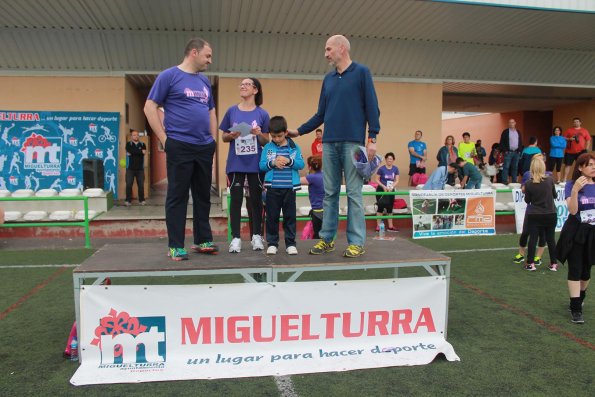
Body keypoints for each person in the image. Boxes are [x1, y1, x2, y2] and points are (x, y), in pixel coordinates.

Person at [289, 34, 380, 258]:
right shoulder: (328, 79)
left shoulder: (361, 72)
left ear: (342, 48)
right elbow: (321, 114)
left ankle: (356, 242)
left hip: (354, 144)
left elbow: (372, 107)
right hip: (329, 144)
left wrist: (372, 138)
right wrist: (299, 130)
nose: (326, 53)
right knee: (329, 193)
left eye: (329, 49)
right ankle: (326, 239)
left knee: (354, 194)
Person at [144, 37, 218, 261]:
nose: (210, 60)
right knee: (177, 196)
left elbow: (211, 112)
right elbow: (149, 107)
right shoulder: (169, 76)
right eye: (207, 55)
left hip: (204, 147)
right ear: (193, 53)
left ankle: (202, 239)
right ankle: (175, 245)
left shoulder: (204, 81)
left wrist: (212, 140)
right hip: (180, 145)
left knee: (203, 195)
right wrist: (165, 139)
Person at [220, 77, 270, 253]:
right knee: (235, 200)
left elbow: (267, 140)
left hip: (255, 164)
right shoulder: (231, 111)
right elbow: (223, 136)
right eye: (241, 84)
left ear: (255, 90)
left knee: (255, 201)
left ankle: (256, 236)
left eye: (247, 84)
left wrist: (258, 134)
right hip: (235, 163)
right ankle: (235, 238)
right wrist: (232, 135)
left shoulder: (262, 114)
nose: (242, 86)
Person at [556, 153, 595, 324]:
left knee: (586, 272)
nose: (593, 167)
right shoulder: (572, 184)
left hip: (592, 233)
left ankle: (581, 295)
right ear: (580, 167)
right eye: (590, 164)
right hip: (575, 231)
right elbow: (572, 211)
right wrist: (575, 190)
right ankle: (575, 308)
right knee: (575, 269)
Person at [260, 116, 305, 255]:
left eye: (279, 136)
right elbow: (261, 166)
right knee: (272, 216)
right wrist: (272, 163)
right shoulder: (267, 147)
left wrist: (289, 161)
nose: (277, 139)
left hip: (290, 189)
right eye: (273, 136)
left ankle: (290, 244)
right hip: (273, 188)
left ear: (286, 132)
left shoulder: (294, 147)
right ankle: (272, 243)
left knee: (290, 217)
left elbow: (301, 164)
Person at [522, 156, 558, 272]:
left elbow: (527, 201)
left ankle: (530, 264)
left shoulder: (528, 183)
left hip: (535, 214)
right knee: (551, 239)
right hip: (550, 213)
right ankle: (553, 264)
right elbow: (555, 195)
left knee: (533, 239)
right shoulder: (550, 180)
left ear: (531, 169)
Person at [513, 153, 548, 267]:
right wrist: (529, 184)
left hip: (544, 210)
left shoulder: (548, 176)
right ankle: (521, 254)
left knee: (542, 234)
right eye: (537, 160)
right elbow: (523, 189)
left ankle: (538, 256)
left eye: (541, 160)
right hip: (531, 209)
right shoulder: (528, 174)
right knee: (525, 232)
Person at [373, 152, 399, 232]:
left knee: (390, 208)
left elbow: (397, 180)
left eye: (391, 159)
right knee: (380, 207)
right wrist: (383, 186)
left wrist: (392, 187)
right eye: (388, 159)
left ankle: (390, 226)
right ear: (386, 160)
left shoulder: (395, 169)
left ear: (393, 160)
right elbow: (376, 179)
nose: (389, 160)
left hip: (391, 190)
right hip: (381, 190)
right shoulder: (381, 169)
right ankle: (378, 226)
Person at [300, 155, 324, 239]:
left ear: (310, 167)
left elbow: (295, 181)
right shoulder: (324, 175)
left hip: (317, 210)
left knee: (317, 234)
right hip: (327, 209)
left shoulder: (311, 177)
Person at [562, 117, 591, 182]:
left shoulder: (584, 130)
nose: (576, 123)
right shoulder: (569, 130)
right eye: (574, 122)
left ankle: (583, 180)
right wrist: (569, 139)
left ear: (580, 123)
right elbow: (563, 137)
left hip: (581, 151)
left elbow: (588, 140)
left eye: (577, 121)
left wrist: (587, 149)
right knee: (567, 165)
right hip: (570, 151)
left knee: (582, 165)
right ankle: (564, 180)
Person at [124, 130, 147, 206]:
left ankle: (141, 200)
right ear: (132, 136)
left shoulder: (143, 144)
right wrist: (139, 152)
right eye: (134, 135)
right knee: (129, 184)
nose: (136, 136)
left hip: (140, 169)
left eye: (137, 135)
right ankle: (128, 200)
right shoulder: (128, 144)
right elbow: (130, 151)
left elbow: (143, 153)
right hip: (130, 168)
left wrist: (133, 152)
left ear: (139, 136)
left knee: (141, 185)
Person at [499, 118, 523, 185]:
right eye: (510, 122)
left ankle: (514, 182)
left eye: (512, 122)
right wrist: (505, 151)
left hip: (516, 152)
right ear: (508, 124)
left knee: (515, 167)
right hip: (508, 152)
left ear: (515, 123)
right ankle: (504, 181)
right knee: (506, 167)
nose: (511, 124)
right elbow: (502, 142)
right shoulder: (505, 132)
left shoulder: (518, 132)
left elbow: (520, 142)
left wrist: (519, 151)